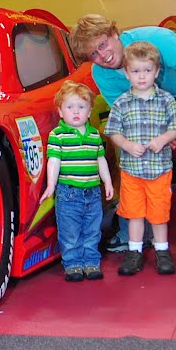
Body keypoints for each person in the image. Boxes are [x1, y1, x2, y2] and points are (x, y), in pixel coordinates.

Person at [70, 13, 176, 257]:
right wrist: (158, 136)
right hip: (156, 101)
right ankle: (139, 232)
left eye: (103, 44)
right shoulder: (103, 74)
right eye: (94, 54)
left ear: (114, 34)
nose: (103, 56)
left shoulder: (155, 40)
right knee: (137, 154)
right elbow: (129, 119)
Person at [103, 42, 176, 276]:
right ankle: (134, 252)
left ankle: (162, 251)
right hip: (132, 171)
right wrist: (127, 145)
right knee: (134, 213)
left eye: (147, 70)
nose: (141, 76)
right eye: (136, 71)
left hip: (159, 170)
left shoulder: (166, 100)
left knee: (159, 214)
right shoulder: (121, 103)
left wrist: (163, 139)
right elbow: (113, 131)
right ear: (127, 73)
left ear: (156, 72)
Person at [39, 80, 115, 282]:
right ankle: (72, 264)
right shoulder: (58, 135)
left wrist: (107, 182)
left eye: (81, 107)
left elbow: (100, 160)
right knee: (70, 231)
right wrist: (51, 186)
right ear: (60, 111)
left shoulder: (94, 135)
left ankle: (91, 262)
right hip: (68, 193)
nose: (75, 111)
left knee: (92, 229)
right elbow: (53, 161)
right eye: (69, 107)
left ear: (89, 112)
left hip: (93, 192)